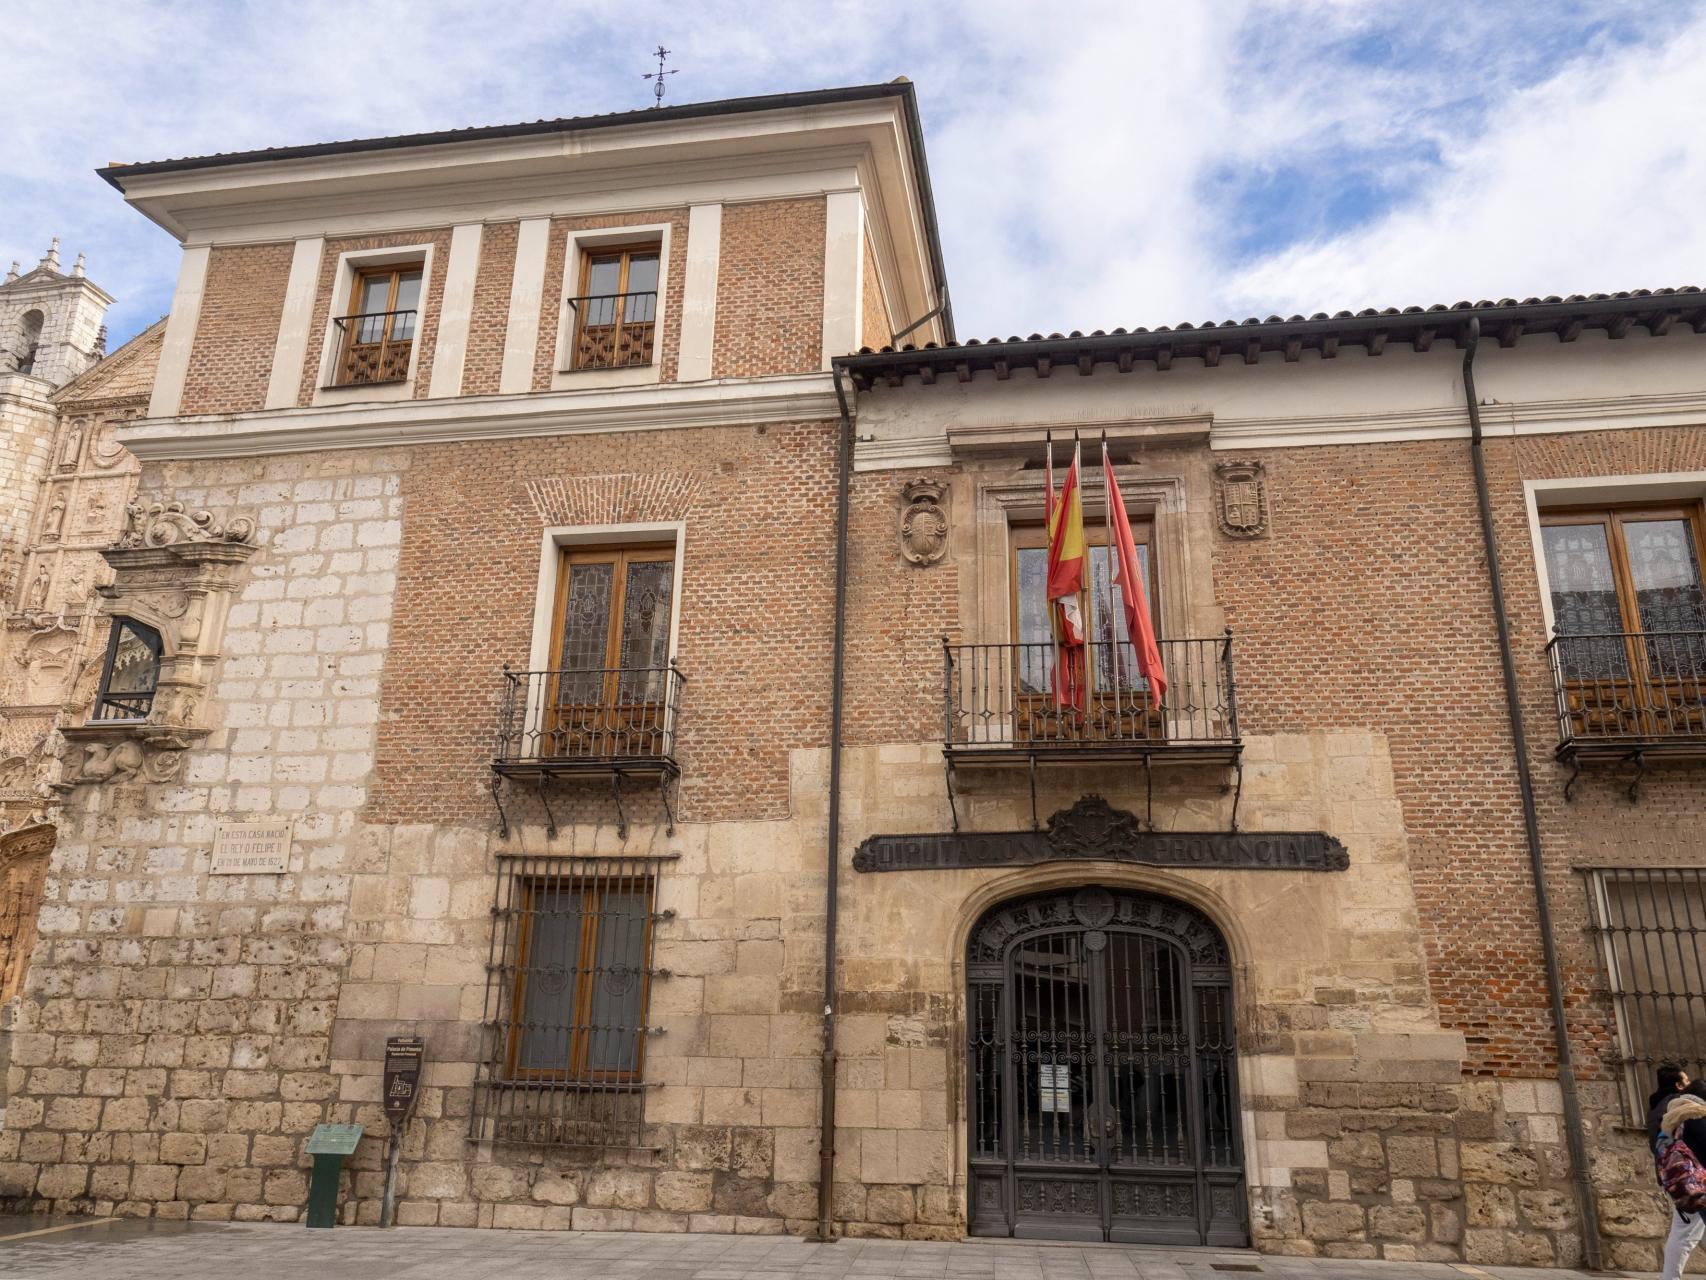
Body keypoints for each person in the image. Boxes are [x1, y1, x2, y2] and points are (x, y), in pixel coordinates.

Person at [1649, 1066, 1706, 1280]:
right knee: (1684, 1236)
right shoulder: (1693, 1116)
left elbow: (1660, 1149)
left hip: (1681, 1183)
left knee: (1685, 1233)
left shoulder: (1668, 1114)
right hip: (1697, 1185)